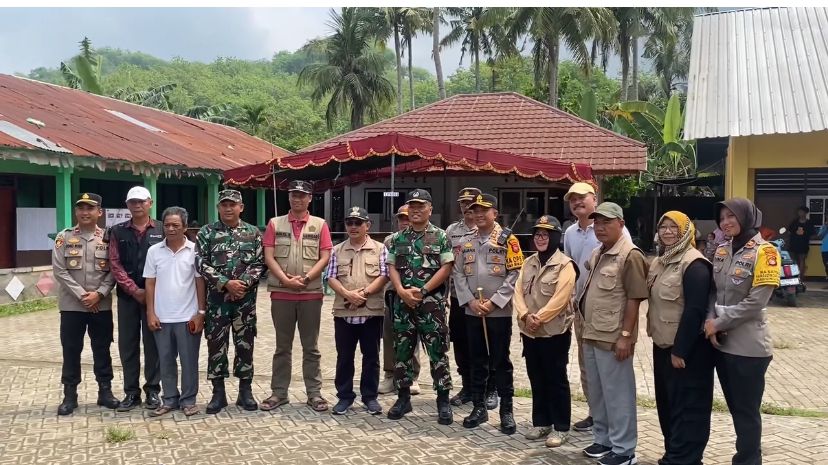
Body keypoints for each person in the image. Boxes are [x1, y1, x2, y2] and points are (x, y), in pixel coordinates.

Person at [704, 198, 779, 465]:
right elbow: (712, 290)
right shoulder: (722, 250)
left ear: (747, 217)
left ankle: (748, 460)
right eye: (722, 218)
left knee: (746, 412)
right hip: (721, 344)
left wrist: (718, 323)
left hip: (748, 348)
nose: (726, 222)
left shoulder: (766, 252)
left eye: (731, 216)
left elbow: (757, 301)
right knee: (735, 410)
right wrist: (710, 320)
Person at [578, 202, 648, 465]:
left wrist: (626, 336)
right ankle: (603, 439)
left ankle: (624, 449)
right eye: (596, 223)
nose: (600, 227)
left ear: (621, 223)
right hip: (592, 331)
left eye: (606, 222)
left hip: (613, 337)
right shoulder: (599, 252)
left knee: (618, 395)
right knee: (597, 392)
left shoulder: (630, 255)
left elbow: (634, 298)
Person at [648, 211, 715, 465]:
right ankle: (674, 452)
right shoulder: (660, 261)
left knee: (689, 407)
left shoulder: (694, 263)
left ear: (686, 231)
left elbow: (695, 310)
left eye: (673, 228)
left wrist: (680, 351)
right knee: (667, 404)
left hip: (687, 351)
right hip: (663, 345)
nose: (666, 231)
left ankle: (683, 458)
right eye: (662, 226)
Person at [453, 193, 523, 434]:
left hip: (498, 313)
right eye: (475, 210)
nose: (479, 214)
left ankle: (506, 410)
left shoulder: (508, 240)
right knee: (477, 360)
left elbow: (515, 273)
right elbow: (458, 273)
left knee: (501, 362)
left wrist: (495, 302)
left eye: (485, 209)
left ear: (495, 213)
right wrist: (470, 301)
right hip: (473, 312)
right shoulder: (467, 242)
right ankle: (479, 407)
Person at [260, 180, 333, 412]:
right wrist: (285, 280)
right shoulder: (275, 223)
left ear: (310, 198)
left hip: (310, 293)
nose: (297, 199)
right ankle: (279, 393)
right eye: (293, 195)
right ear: (289, 197)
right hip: (282, 293)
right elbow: (268, 256)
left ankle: (314, 393)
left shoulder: (320, 225)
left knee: (310, 347)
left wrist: (307, 278)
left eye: (302, 195)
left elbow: (325, 256)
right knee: (282, 347)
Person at [385, 188, 455, 425]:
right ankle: (403, 398)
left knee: (437, 352)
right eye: (412, 206)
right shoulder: (397, 238)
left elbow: (446, 267)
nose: (415, 210)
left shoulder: (441, 236)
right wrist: (402, 291)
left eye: (420, 206)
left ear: (430, 209)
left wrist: (423, 290)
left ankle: (443, 400)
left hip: (431, 304)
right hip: (402, 303)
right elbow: (391, 267)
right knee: (402, 352)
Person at [196, 189, 265, 414]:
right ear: (218, 207)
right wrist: (226, 284)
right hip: (217, 302)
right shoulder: (207, 232)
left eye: (232, 204)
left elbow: (259, 262)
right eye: (224, 204)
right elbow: (200, 263)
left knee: (245, 345)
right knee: (216, 346)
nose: (228, 208)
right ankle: (218, 394)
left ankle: (245, 392)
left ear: (241, 207)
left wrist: (241, 285)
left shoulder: (253, 233)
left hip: (245, 302)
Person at [513, 215, 577, 447]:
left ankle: (561, 427)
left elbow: (561, 298)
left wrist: (538, 318)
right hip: (530, 332)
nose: (541, 239)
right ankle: (541, 422)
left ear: (556, 237)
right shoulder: (528, 262)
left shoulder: (566, 265)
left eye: (546, 234)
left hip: (554, 332)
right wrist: (523, 315)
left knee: (556, 379)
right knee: (536, 377)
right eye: (537, 234)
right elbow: (518, 292)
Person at [53, 193, 118, 415]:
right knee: (71, 350)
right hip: (72, 307)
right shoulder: (64, 237)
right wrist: (84, 296)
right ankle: (70, 395)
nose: (85, 212)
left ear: (99, 212)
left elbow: (114, 270)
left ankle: (105, 392)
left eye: (90, 208)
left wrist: (99, 294)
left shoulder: (109, 238)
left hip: (101, 306)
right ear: (76, 212)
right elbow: (60, 271)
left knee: (102, 349)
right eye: (81, 208)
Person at [143, 207, 206, 417]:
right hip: (162, 317)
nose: (170, 229)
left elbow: (199, 283)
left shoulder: (195, 250)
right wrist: (151, 313)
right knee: (166, 361)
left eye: (175, 225)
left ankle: (188, 400)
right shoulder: (154, 251)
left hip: (188, 317)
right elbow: (150, 284)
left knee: (189, 362)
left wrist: (201, 313)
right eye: (167, 225)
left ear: (185, 228)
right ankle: (169, 399)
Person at [326, 207, 389, 415]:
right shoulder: (337, 249)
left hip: (371, 311)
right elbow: (331, 277)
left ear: (367, 225)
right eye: (349, 223)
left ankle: (370, 397)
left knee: (371, 356)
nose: (353, 227)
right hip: (344, 312)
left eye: (358, 223)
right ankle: (344, 397)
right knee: (344, 356)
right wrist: (347, 294)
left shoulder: (380, 249)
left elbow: (384, 276)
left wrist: (362, 294)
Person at [105, 186, 163, 412]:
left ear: (150, 203)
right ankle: (131, 392)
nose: (137, 205)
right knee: (128, 345)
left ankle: (153, 391)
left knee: (153, 346)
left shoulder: (161, 228)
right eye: (132, 202)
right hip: (128, 298)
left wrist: (148, 293)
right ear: (127, 205)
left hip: (155, 299)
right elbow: (114, 263)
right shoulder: (118, 231)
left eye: (141, 201)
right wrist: (133, 290)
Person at [445, 187, 496, 409]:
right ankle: (467, 386)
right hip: (460, 297)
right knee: (462, 345)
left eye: (471, 204)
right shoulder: (451, 231)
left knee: (488, 345)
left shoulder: (493, 232)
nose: (467, 208)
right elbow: (449, 266)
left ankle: (491, 388)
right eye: (463, 203)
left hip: (488, 301)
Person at [380, 204, 423, 395]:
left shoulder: (427, 238)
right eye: (401, 219)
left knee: (413, 337)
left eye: (407, 218)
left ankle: (412, 376)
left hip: (418, 295)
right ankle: (390, 374)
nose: (404, 222)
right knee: (390, 336)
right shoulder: (389, 241)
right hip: (393, 295)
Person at [788, 206, 814, 277]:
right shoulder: (795, 222)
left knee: (802, 259)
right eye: (799, 211)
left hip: (803, 243)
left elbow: (812, 233)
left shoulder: (809, 223)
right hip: (794, 243)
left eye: (802, 212)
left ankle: (800, 276)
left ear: (806, 213)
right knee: (794, 260)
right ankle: (795, 274)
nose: (800, 213)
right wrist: (795, 231)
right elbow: (789, 231)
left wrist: (804, 232)